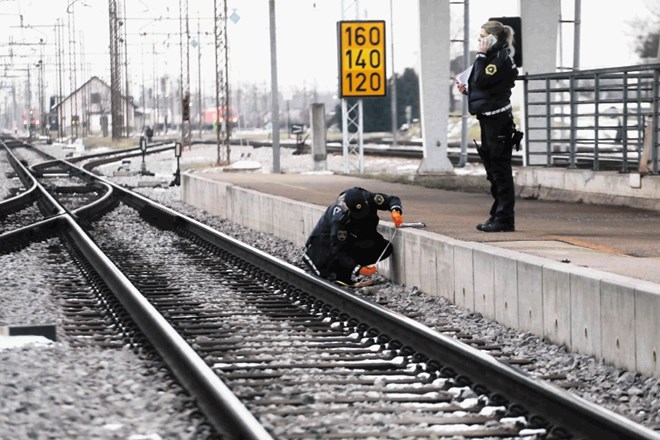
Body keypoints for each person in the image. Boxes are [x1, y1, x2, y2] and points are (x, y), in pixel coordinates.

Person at [455, 20, 519, 232]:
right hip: (488, 118)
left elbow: (483, 80)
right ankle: (497, 214)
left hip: (498, 121)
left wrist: (480, 55)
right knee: (493, 170)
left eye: (482, 37)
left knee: (500, 170)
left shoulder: (499, 58)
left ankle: (505, 219)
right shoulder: (492, 58)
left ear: (493, 38)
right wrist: (466, 90)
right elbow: (483, 87)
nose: (479, 41)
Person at [303, 187, 404, 285]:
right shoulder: (340, 219)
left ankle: (344, 271)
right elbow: (337, 250)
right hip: (324, 248)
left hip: (353, 239)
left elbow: (391, 200)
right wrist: (358, 268)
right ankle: (340, 274)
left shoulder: (368, 197)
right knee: (332, 265)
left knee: (384, 248)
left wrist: (395, 211)